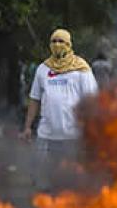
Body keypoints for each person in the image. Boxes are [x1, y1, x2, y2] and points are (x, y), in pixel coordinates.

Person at [21, 29, 98, 163]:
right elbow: (35, 99)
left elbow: (92, 102)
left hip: (73, 136)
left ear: (68, 44)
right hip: (47, 135)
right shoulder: (43, 69)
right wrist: (27, 127)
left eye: (61, 41)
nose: (57, 44)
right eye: (54, 41)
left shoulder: (81, 69)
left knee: (70, 178)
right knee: (45, 176)